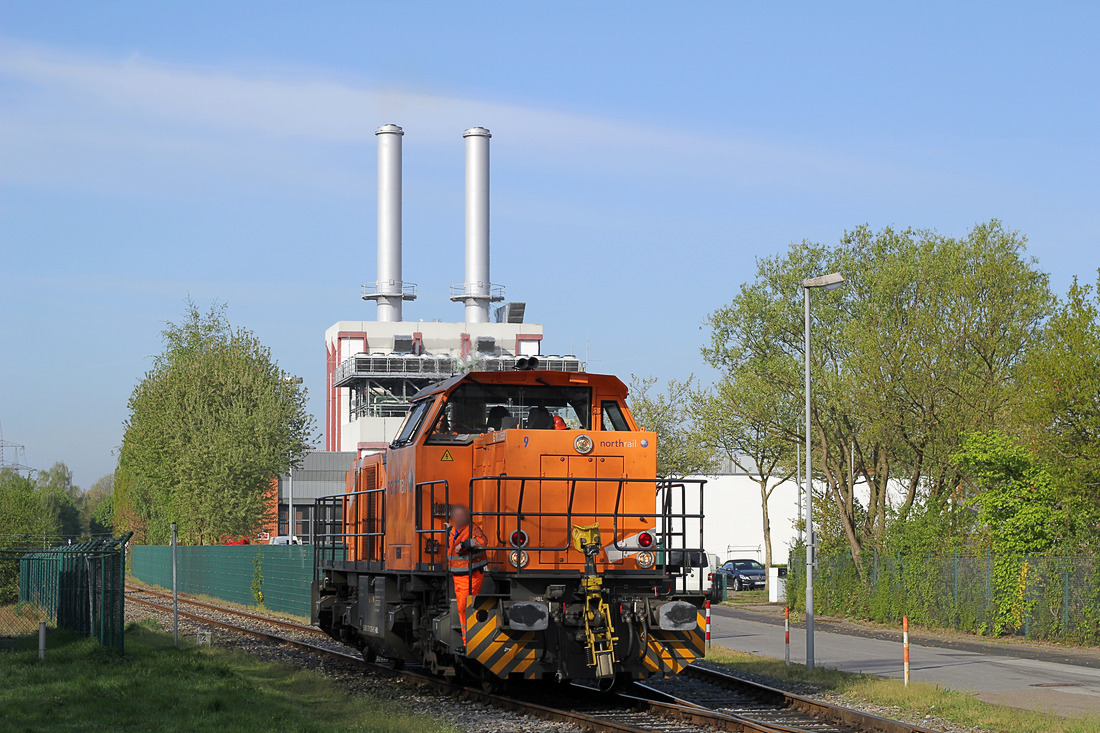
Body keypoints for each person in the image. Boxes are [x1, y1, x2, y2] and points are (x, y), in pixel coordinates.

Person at [446, 504, 488, 647]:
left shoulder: (472, 529)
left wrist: (464, 545)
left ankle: (468, 642)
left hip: (471, 575)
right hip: (458, 576)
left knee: (465, 608)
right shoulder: (454, 530)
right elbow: (453, 538)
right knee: (462, 607)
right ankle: (467, 641)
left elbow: (482, 542)